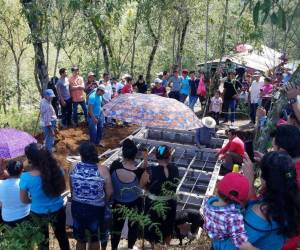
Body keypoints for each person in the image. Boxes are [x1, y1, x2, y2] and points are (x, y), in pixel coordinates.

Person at [242, 151, 300, 249]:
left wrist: (249, 181)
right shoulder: (292, 203)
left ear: (264, 180)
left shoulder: (260, 213)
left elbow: (234, 243)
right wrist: (272, 165)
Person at [20, 143, 70, 250]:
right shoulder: (58, 170)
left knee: (42, 241)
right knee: (62, 236)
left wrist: (34, 200)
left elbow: (24, 200)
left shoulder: (25, 178)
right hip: (58, 209)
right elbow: (62, 188)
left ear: (30, 160)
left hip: (37, 213)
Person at [69, 142, 113, 250]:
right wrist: (104, 201)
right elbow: (110, 192)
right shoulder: (103, 170)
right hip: (96, 209)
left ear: (81, 155)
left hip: (77, 207)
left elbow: (71, 188)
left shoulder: (73, 166)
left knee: (80, 238)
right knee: (94, 238)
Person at [204, 172, 257, 250]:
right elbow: (241, 244)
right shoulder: (233, 217)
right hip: (224, 246)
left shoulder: (208, 201)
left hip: (214, 241)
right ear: (239, 202)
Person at [141, 145, 179, 247]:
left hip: (154, 205)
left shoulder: (151, 170)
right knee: (167, 230)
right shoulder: (175, 169)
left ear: (156, 156)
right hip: (170, 204)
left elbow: (142, 184)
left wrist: (145, 160)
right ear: (169, 156)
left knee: (154, 232)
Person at [109, 139, 144, 250]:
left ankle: (114, 248)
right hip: (134, 204)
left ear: (123, 153)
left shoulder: (115, 166)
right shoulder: (138, 172)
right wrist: (146, 159)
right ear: (135, 155)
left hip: (118, 203)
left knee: (116, 228)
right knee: (133, 227)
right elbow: (142, 185)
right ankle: (130, 247)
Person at [0, 160, 30, 227]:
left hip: (7, 218)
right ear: (22, 170)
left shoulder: (0, 184)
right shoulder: (25, 182)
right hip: (26, 214)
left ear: (7, 170)